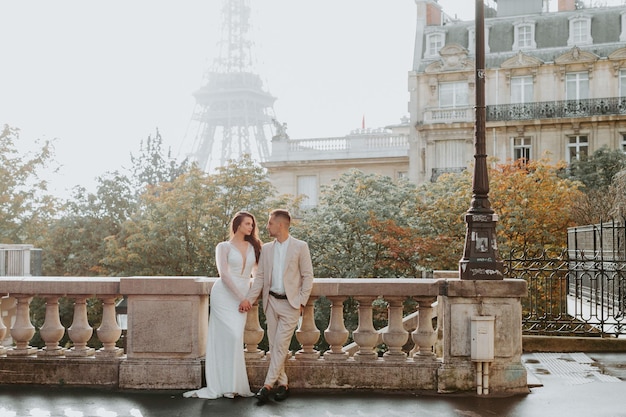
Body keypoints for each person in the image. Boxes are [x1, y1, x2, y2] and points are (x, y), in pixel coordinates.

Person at [184, 211, 262, 400]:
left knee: (235, 339)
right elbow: (224, 275)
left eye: (252, 224)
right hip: (224, 295)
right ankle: (221, 385)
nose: (251, 227)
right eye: (247, 224)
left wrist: (249, 298)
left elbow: (257, 275)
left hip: (244, 297)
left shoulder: (255, 246)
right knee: (225, 338)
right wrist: (240, 298)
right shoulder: (223, 247)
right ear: (237, 225)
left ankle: (233, 386)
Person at [238, 209, 314, 403]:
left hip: (291, 304)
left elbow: (307, 276)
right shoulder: (267, 249)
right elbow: (260, 277)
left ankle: (267, 385)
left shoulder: (300, 246)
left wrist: (301, 302)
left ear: (280, 225)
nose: (266, 226)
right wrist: (249, 298)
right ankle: (283, 385)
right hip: (271, 302)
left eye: (270, 223)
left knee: (280, 345)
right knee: (274, 346)